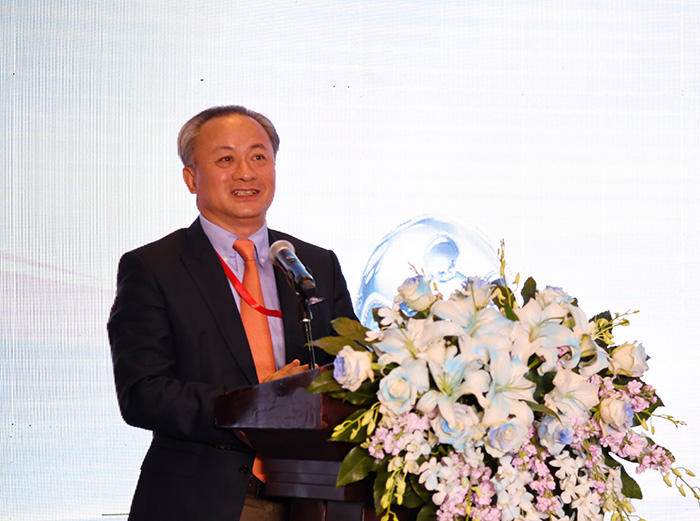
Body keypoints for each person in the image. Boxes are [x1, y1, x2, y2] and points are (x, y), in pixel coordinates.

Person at [108, 105, 356, 521]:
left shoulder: (315, 264)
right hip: (206, 497)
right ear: (191, 178)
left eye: (258, 156)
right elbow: (143, 393)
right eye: (225, 159)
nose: (246, 173)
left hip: (313, 497)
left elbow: (353, 370)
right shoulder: (153, 267)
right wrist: (255, 406)